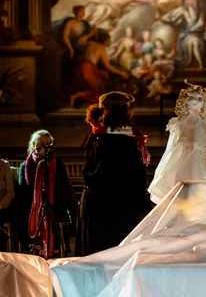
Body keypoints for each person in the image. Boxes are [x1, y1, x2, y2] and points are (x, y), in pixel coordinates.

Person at [76, 92, 152, 256]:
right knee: (116, 257)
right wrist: (144, 208)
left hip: (94, 205)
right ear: (122, 112)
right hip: (115, 209)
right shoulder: (122, 143)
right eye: (128, 108)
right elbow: (131, 179)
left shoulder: (95, 136)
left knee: (96, 257)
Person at [148, 83, 206, 203]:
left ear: (204, 103)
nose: (195, 101)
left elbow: (204, 143)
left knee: (193, 184)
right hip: (182, 154)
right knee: (179, 180)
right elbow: (175, 140)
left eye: (199, 99)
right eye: (192, 98)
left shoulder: (201, 122)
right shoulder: (181, 121)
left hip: (195, 155)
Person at [18, 130, 77, 258]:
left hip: (53, 205)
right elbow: (24, 190)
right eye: (41, 143)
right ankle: (30, 252)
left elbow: (62, 189)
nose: (45, 147)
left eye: (48, 143)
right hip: (32, 207)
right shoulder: (26, 166)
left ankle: (53, 253)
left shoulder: (57, 164)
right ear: (34, 144)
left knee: (52, 215)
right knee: (23, 217)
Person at [69, 32, 131, 106]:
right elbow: (108, 66)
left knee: (103, 75)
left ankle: (77, 96)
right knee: (96, 92)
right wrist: (121, 73)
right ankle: (77, 96)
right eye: (109, 40)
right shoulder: (101, 48)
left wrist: (90, 34)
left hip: (80, 67)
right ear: (105, 41)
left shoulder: (91, 43)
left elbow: (80, 42)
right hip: (88, 69)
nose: (110, 42)